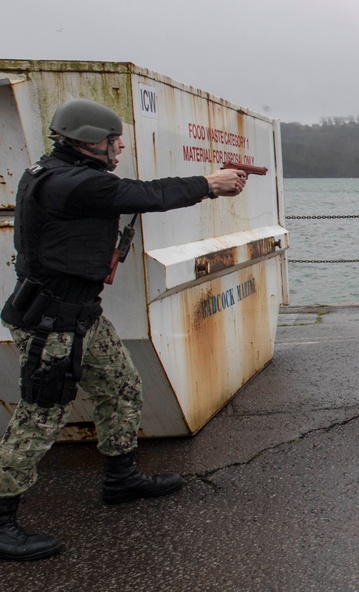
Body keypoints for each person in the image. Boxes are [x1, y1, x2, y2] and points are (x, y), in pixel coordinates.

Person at [0, 98, 247, 561]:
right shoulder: (70, 183)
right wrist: (209, 185)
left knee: (122, 387)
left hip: (78, 316)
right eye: (114, 141)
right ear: (90, 142)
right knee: (40, 419)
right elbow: (145, 195)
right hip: (52, 325)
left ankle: (121, 477)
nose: (119, 147)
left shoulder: (57, 173)